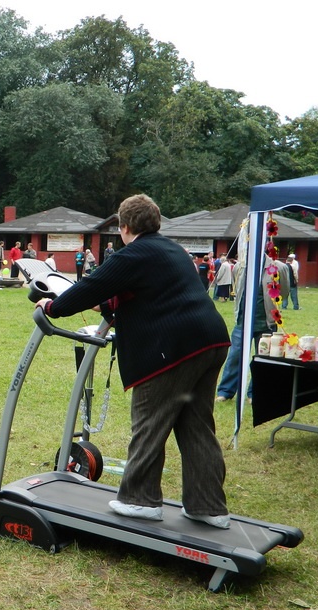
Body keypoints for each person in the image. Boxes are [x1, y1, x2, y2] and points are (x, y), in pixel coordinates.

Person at [36, 194, 232, 529]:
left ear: (124, 226)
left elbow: (89, 287)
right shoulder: (174, 251)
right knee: (196, 426)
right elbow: (150, 294)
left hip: (171, 348)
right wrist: (110, 305)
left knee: (150, 422)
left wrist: (49, 308)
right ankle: (208, 506)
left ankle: (140, 501)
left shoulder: (132, 254)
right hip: (211, 339)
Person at [215, 251, 289, 402]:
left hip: (266, 321)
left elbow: (285, 291)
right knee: (235, 356)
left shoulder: (278, 267)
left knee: (262, 358)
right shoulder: (240, 266)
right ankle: (225, 391)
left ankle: (254, 392)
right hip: (243, 321)